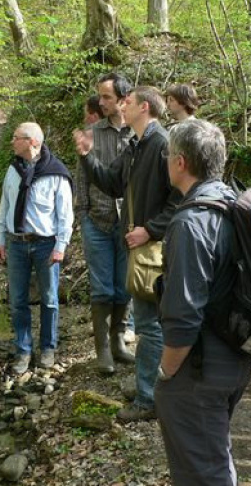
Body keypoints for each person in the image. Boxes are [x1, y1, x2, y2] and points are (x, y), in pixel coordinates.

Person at [155, 119, 251, 485]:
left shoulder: (191, 223)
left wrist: (165, 372)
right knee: (214, 456)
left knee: (202, 472)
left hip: (200, 367)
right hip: (238, 353)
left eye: (168, 155)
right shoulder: (233, 203)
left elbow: (183, 312)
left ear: (180, 162)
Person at [74, 86, 180, 422]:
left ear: (143, 107)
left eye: (128, 102)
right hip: (137, 243)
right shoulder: (137, 144)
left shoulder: (162, 144)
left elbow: (180, 199)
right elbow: (112, 183)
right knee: (148, 321)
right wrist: (87, 155)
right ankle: (147, 387)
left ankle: (149, 399)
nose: (123, 105)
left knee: (150, 325)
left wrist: (150, 229)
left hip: (153, 246)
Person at [0, 122, 73, 374]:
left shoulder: (56, 172)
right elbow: (5, 206)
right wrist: (0, 239)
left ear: (32, 142)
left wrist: (61, 246)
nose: (11, 142)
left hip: (46, 244)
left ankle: (48, 348)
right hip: (16, 243)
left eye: (16, 138)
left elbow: (65, 214)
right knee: (17, 300)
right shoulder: (13, 170)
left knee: (49, 299)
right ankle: (23, 350)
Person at [74, 73, 134, 375]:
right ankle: (102, 352)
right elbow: (81, 176)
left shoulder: (137, 134)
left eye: (107, 97)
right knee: (101, 289)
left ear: (124, 100)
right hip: (96, 219)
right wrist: (82, 212)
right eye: (100, 96)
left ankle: (119, 343)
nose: (101, 101)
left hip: (129, 226)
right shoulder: (92, 132)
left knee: (124, 286)